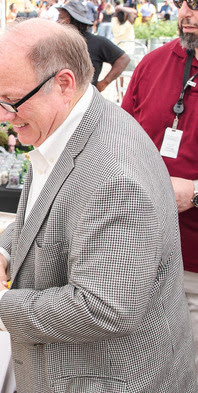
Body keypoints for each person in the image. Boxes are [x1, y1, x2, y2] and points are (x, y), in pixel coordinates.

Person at [0, 18, 198, 392]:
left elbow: (105, 306)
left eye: (11, 101)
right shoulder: (67, 125)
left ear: (63, 84)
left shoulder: (115, 176)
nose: (0, 116)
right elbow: (43, 213)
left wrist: (1, 309)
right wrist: (2, 253)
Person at [121, 0, 198, 371]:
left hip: (193, 268)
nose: (188, 13)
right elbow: (117, 143)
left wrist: (197, 193)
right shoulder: (152, 65)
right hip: (136, 256)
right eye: (184, 2)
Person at [58, 1, 130, 92]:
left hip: (85, 99)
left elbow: (123, 59)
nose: (58, 21)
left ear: (73, 21)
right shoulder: (59, 43)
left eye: (61, 17)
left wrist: (104, 83)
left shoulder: (98, 42)